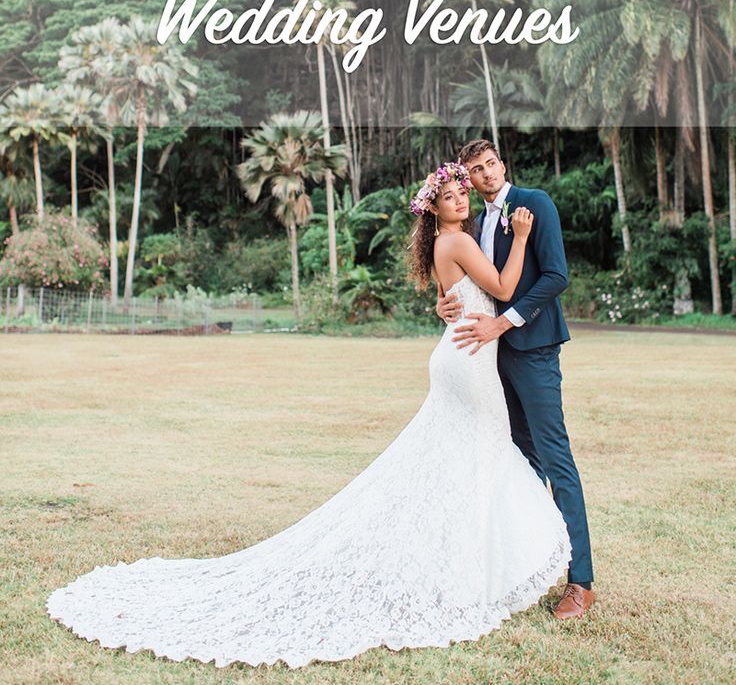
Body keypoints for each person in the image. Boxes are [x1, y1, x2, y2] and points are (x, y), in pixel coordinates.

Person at [46, 161, 571, 669]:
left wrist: (446, 301)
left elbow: (450, 295)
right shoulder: (456, 239)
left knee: (464, 461)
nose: (460, 198)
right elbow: (502, 289)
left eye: (463, 192)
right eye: (450, 195)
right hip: (470, 360)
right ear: (433, 209)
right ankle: (474, 574)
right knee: (484, 455)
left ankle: (468, 565)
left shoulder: (449, 242)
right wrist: (522, 237)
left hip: (458, 354)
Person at [436, 140, 595, 620]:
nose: (484, 175)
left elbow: (556, 276)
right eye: (474, 171)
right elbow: (477, 288)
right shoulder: (475, 224)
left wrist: (503, 325)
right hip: (490, 359)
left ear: (502, 165)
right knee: (520, 464)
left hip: (534, 349)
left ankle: (580, 582)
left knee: (555, 458)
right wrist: (444, 304)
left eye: (490, 165)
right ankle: (528, 566)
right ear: (465, 180)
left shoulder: (535, 203)